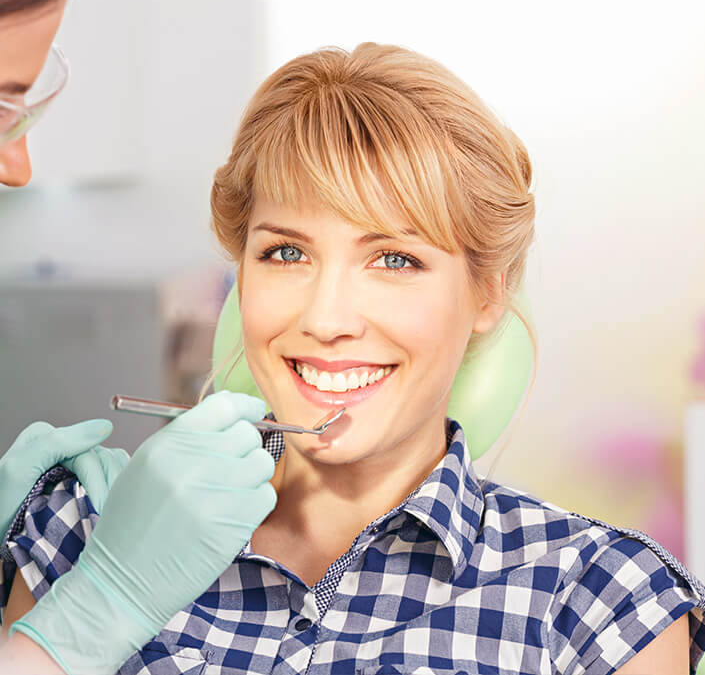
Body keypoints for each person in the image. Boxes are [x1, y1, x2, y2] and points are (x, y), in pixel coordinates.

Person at [3, 41, 704, 674]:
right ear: (239, 276)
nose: (326, 319)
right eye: (286, 252)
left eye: (394, 259)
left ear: (487, 293)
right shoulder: (82, 540)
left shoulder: (600, 602)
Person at [0, 0, 278, 673]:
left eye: (395, 259)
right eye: (287, 251)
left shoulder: (578, 582)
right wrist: (103, 606)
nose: (18, 165)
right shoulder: (65, 537)